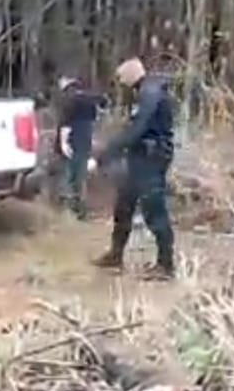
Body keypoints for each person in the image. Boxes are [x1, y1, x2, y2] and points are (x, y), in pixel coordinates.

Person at [94, 58, 175, 277]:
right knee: (124, 206)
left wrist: (109, 151)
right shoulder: (146, 92)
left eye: (122, 79)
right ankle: (115, 255)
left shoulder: (149, 93)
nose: (121, 84)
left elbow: (137, 129)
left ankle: (166, 265)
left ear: (130, 76)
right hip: (139, 157)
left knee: (154, 210)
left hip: (151, 158)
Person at [51, 75, 101, 218]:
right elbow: (93, 120)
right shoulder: (89, 99)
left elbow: (65, 123)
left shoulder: (69, 99)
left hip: (71, 139)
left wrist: (63, 143)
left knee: (68, 174)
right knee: (81, 175)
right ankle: (81, 209)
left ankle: (68, 208)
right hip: (84, 139)